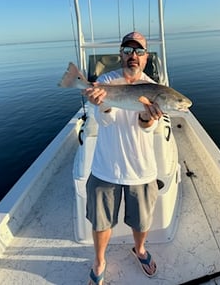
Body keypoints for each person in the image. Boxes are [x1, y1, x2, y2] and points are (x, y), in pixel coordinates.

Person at [84, 31, 163, 285]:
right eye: (128, 51)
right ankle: (99, 260)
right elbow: (104, 121)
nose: (133, 56)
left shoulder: (155, 88)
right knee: (101, 221)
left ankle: (139, 250)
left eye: (139, 51)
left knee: (141, 221)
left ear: (146, 57)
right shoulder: (107, 81)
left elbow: (149, 128)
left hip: (141, 169)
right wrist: (102, 104)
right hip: (106, 166)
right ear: (120, 54)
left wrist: (147, 117)